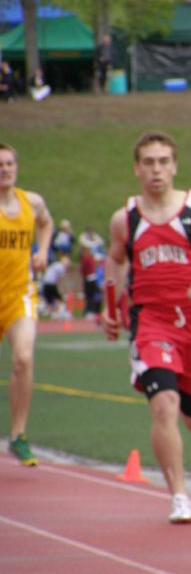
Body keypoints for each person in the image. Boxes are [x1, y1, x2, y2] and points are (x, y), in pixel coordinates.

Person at [101, 131, 191, 524]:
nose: (156, 169)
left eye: (163, 161)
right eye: (148, 162)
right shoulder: (125, 218)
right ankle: (179, 495)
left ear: (174, 166)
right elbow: (115, 261)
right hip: (153, 322)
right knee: (164, 406)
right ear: (136, 168)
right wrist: (110, 307)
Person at [0, 142, 53, 466]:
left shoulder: (31, 202)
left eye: (8, 164)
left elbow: (46, 222)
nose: (4, 169)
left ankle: (18, 435)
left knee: (22, 358)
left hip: (19, 294)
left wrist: (43, 252)